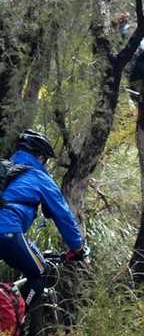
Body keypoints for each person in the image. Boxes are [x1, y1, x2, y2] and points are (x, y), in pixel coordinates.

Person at [0, 130, 85, 320]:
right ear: (39, 156)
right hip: (7, 232)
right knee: (39, 273)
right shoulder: (39, 177)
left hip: (8, 232)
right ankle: (13, 329)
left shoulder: (3, 169)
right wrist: (77, 247)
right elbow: (63, 216)